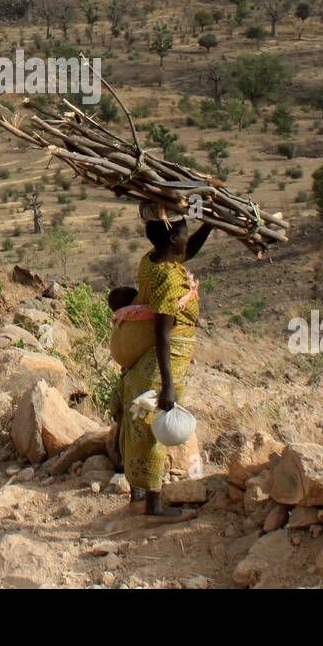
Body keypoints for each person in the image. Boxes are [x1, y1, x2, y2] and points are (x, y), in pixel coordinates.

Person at [115, 206, 211, 518]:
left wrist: (208, 225)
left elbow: (186, 252)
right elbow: (162, 333)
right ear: (173, 238)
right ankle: (154, 507)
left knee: (139, 426)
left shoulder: (153, 262)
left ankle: (138, 495)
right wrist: (168, 384)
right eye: (184, 234)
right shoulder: (170, 281)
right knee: (154, 428)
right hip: (162, 365)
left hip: (142, 368)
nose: (186, 240)